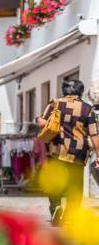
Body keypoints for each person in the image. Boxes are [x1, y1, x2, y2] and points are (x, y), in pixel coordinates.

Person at [36, 78, 99, 225]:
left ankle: (56, 207)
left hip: (56, 150)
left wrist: (38, 119)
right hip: (78, 153)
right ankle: (70, 217)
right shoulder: (88, 109)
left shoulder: (55, 103)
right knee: (75, 186)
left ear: (64, 90)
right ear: (81, 91)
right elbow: (95, 134)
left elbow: (43, 123)